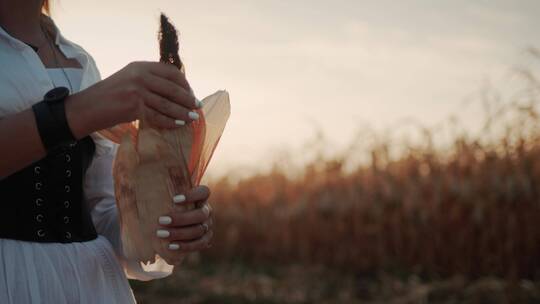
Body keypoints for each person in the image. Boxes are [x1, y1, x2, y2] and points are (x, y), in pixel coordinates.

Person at [0, 0, 214, 303]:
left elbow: (101, 211)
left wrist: (161, 226)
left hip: (90, 286)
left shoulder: (79, 60)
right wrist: (78, 112)